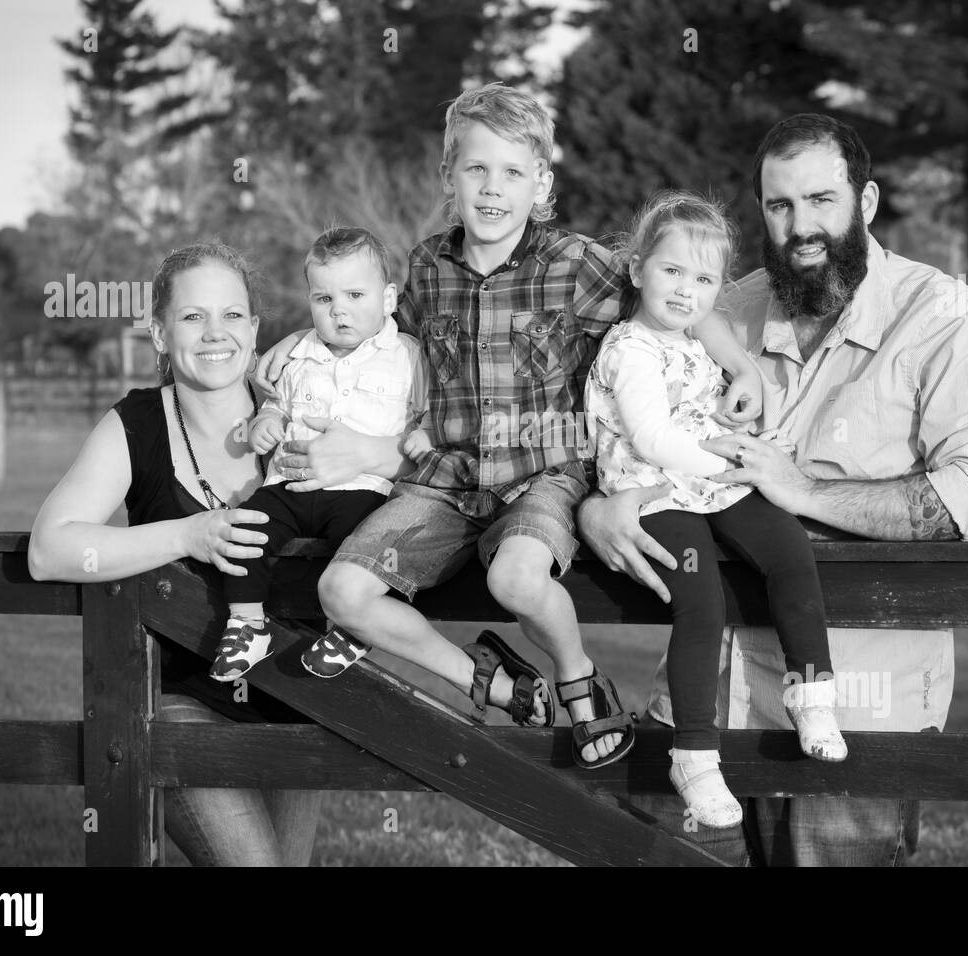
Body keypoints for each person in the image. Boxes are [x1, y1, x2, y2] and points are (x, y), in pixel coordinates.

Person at [258, 82, 766, 768]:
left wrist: (740, 364)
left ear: (541, 183)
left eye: (513, 172)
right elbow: (361, 331)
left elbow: (677, 291)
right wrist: (284, 362)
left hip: (542, 474)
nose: (492, 189)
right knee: (341, 592)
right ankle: (485, 679)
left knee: (517, 580)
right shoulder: (424, 268)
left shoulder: (577, 264)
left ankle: (578, 676)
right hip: (440, 482)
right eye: (476, 169)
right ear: (449, 176)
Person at [578, 113, 968, 864]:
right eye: (779, 205)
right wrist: (596, 507)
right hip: (706, 697)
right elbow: (626, 427)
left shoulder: (943, 314)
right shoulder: (722, 308)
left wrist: (802, 491)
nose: (800, 226)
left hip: (859, 701)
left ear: (868, 201)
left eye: (821, 200)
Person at [28, 242, 343, 865]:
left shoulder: (308, 408)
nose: (215, 333)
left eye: (232, 316)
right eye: (193, 317)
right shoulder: (135, 424)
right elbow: (48, 548)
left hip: (298, 696)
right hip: (181, 703)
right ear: (160, 333)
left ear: (254, 330)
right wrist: (187, 535)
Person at [585, 190, 844, 826]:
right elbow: (651, 439)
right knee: (701, 601)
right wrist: (727, 459)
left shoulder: (695, 329)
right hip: (654, 487)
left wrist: (741, 392)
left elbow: (708, 329)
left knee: (789, 551)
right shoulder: (631, 350)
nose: (684, 291)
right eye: (671, 271)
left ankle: (811, 692)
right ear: (637, 267)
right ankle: (695, 754)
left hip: (711, 477)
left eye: (703, 279)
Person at [211, 227, 427, 683]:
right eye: (324, 299)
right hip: (289, 484)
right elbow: (277, 405)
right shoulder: (299, 355)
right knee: (245, 529)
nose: (339, 311)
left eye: (354, 294)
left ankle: (353, 628)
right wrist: (264, 425)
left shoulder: (406, 355)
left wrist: (421, 435)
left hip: (360, 489)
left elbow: (428, 414)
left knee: (370, 545)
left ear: (388, 298)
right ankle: (247, 624)